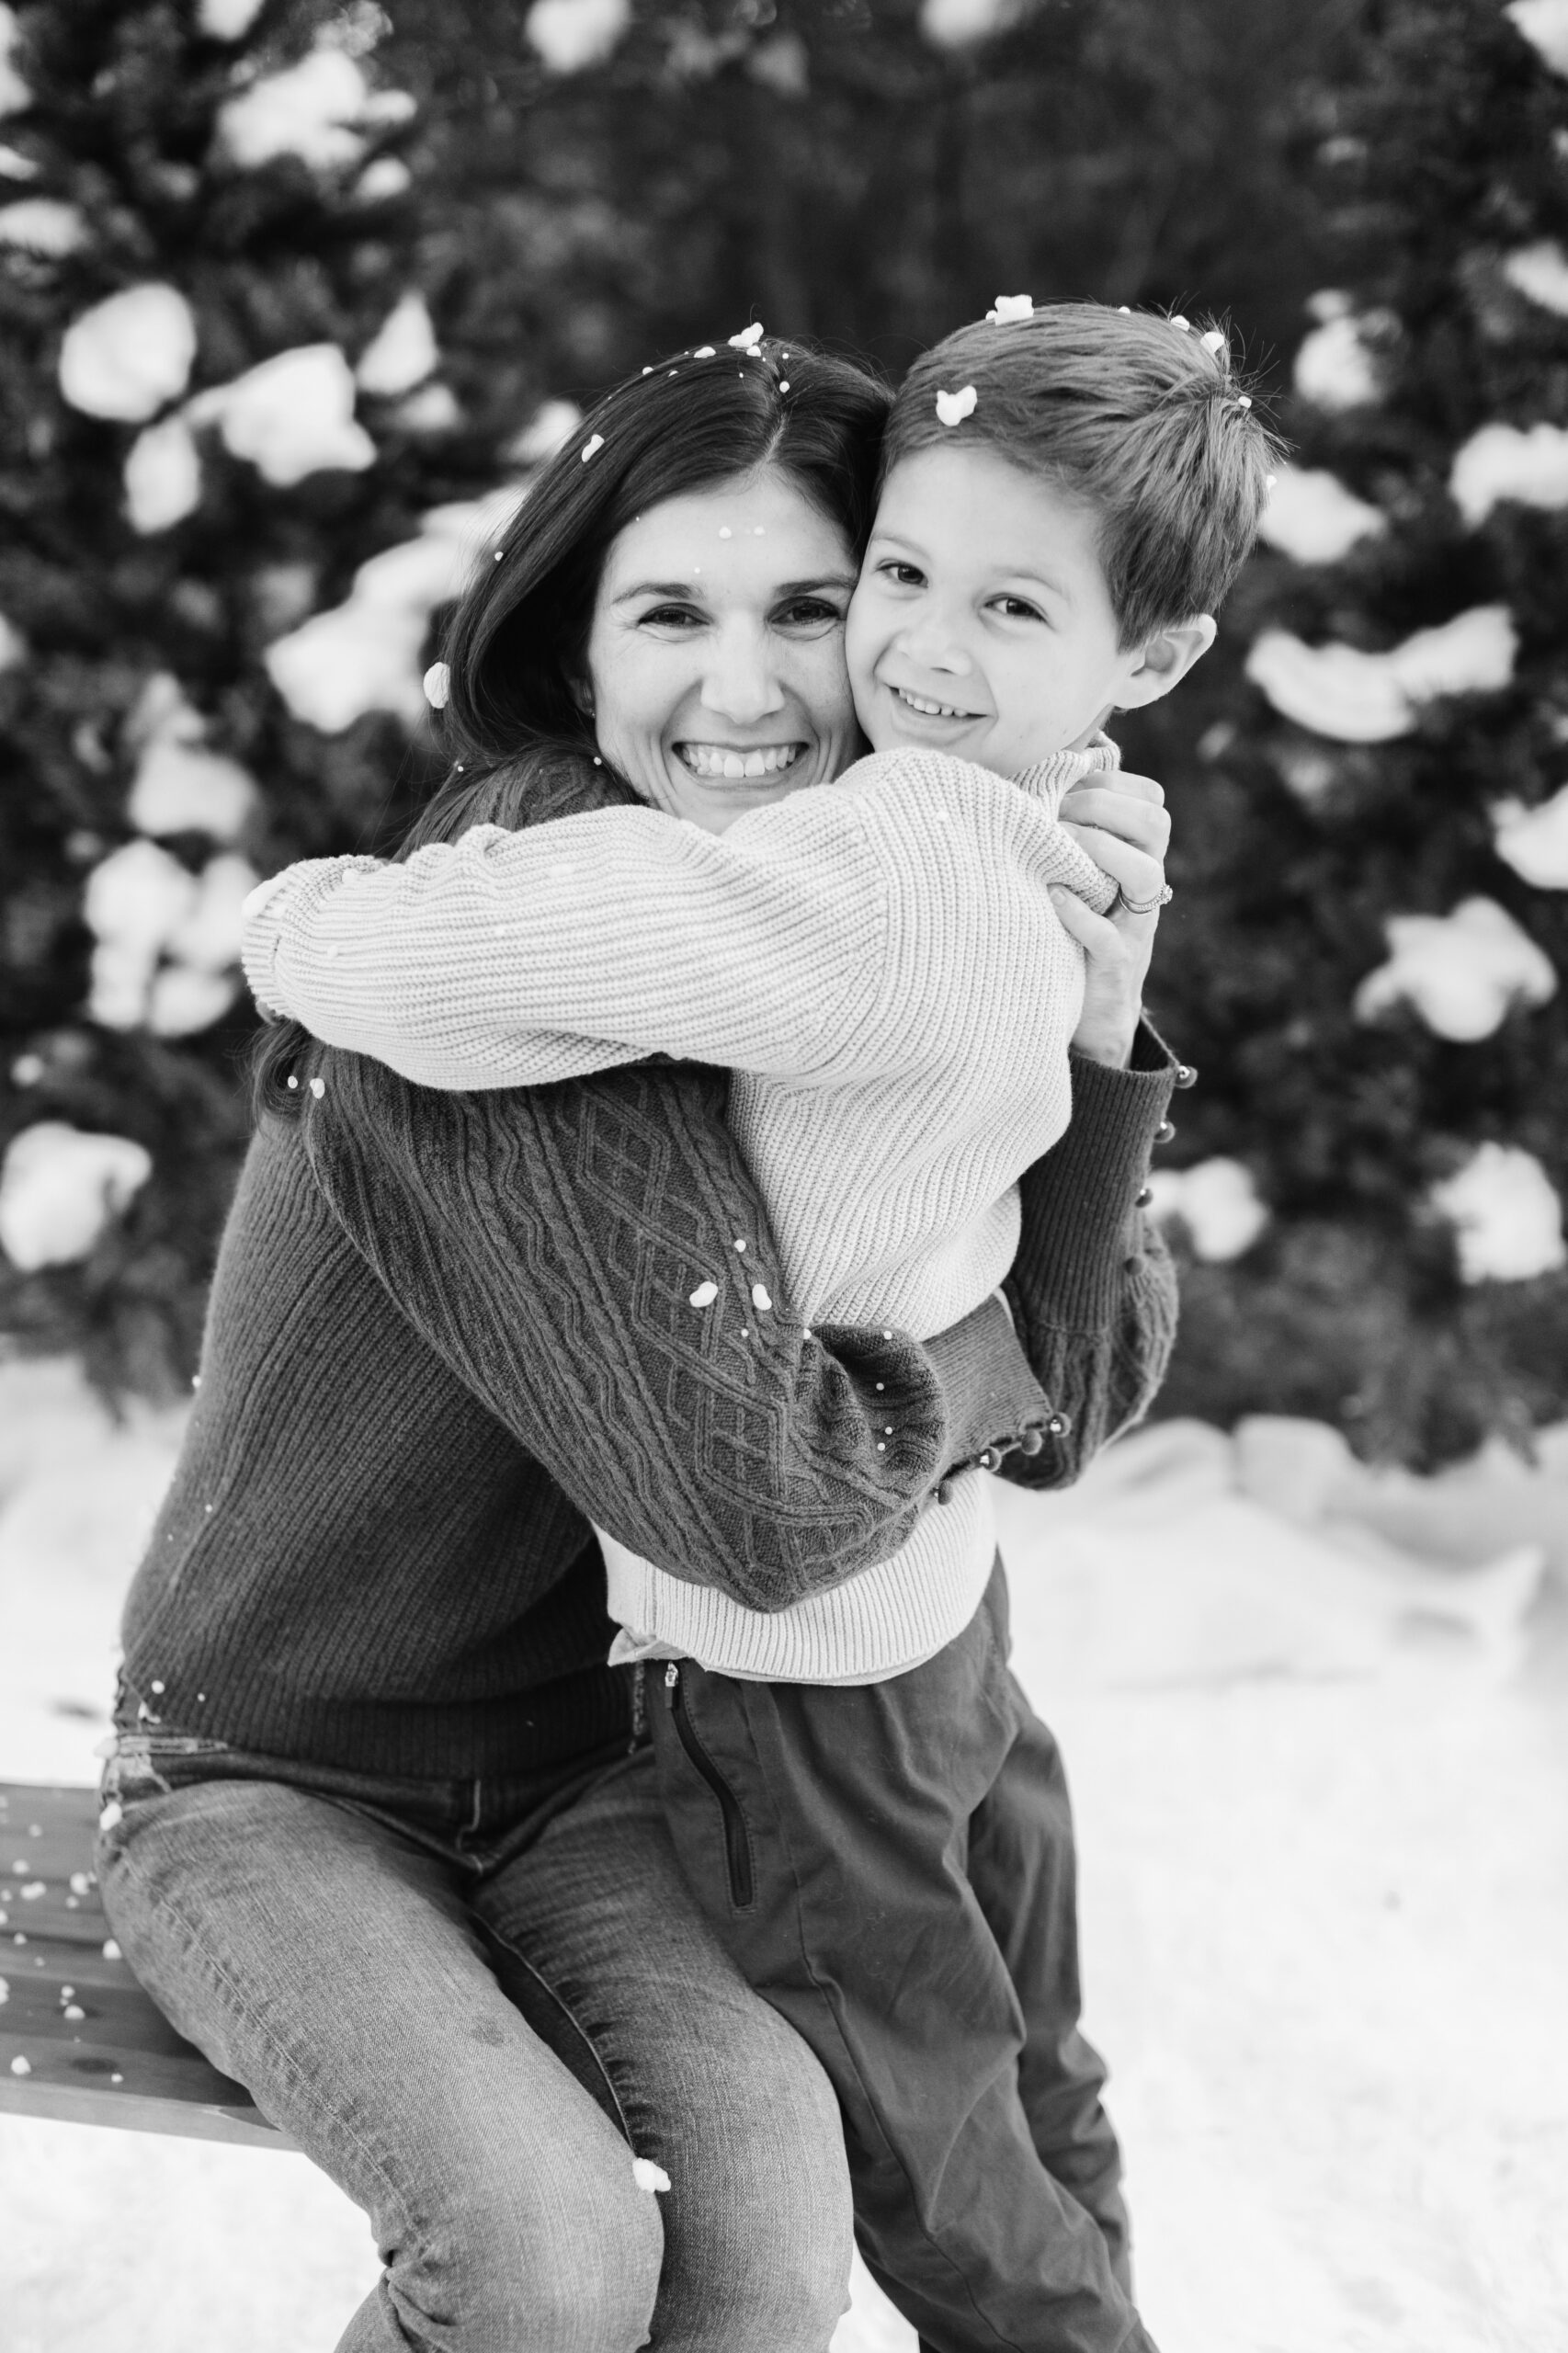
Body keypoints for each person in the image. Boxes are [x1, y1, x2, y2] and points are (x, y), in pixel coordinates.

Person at [100, 331, 1182, 2353]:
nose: (753, 689)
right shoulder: (523, 949)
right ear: (569, 636)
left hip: (593, 1773)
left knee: (772, 2243)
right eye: (670, 610)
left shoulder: (834, 914)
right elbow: (765, 1499)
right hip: (275, 1779)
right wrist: (982, 1376)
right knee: (540, 2251)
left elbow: (1094, 1382)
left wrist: (1096, 1041)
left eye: (805, 605)